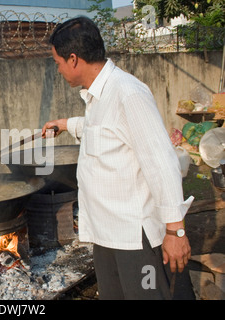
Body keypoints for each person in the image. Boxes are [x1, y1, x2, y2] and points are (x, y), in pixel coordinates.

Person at [41, 16, 194, 299]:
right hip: (107, 233)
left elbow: (161, 162)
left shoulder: (128, 93)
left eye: (57, 62)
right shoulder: (98, 95)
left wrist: (175, 232)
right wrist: (65, 124)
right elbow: (106, 131)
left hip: (135, 239)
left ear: (73, 59)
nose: (58, 69)